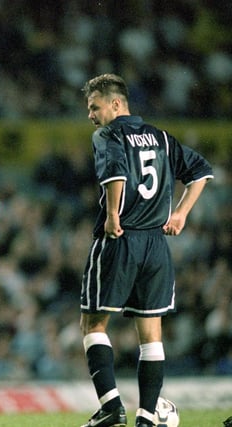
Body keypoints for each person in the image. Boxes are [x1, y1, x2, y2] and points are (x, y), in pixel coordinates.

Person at [79, 74, 213, 427]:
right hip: (156, 243)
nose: (91, 115)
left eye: (95, 107)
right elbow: (201, 171)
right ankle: (147, 416)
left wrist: (111, 215)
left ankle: (110, 407)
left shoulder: (109, 135)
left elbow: (115, 174)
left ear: (116, 104)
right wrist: (180, 213)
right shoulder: (161, 137)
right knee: (150, 331)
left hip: (122, 237)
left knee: (93, 323)